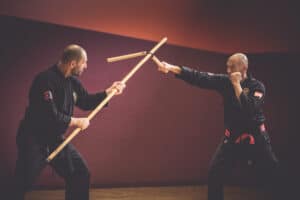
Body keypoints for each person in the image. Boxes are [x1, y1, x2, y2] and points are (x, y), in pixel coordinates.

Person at [152, 53, 280, 200]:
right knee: (215, 174)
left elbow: (249, 108)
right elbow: (199, 77)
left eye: (232, 66)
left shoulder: (258, 86)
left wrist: (236, 84)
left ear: (244, 67)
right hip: (231, 138)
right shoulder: (225, 81)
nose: (228, 69)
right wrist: (171, 68)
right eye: (227, 66)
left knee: (273, 174)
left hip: (257, 139)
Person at [14, 44, 126, 200]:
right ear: (73, 63)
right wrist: (76, 121)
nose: (86, 66)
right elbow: (49, 116)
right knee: (22, 182)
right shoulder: (45, 80)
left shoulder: (73, 82)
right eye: (84, 62)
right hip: (33, 138)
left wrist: (109, 92)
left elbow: (86, 101)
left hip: (54, 139)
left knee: (79, 173)